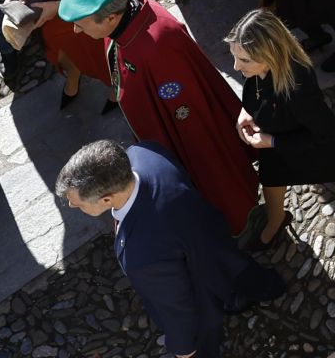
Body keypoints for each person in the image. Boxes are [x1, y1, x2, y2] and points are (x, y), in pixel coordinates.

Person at [60, 0, 261, 236]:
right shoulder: (123, 20)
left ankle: (244, 224)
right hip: (162, 129)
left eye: (81, 23)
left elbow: (187, 112)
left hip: (188, 132)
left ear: (110, 18)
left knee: (213, 173)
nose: (76, 30)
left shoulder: (158, 46)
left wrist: (184, 153)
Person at [55, 140, 284, 358]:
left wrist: (184, 347)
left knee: (206, 332)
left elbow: (177, 308)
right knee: (239, 270)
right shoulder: (142, 153)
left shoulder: (142, 256)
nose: (72, 205)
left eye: (78, 203)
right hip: (211, 237)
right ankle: (264, 289)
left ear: (107, 200)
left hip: (197, 281)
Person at [226, 9, 335, 246]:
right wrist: (247, 111)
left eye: (244, 60)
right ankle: (276, 219)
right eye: (234, 56)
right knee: (271, 178)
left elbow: (327, 131)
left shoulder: (297, 87)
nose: (235, 67)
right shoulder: (258, 68)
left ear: (270, 54)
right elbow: (256, 92)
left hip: (308, 148)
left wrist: (271, 141)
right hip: (274, 141)